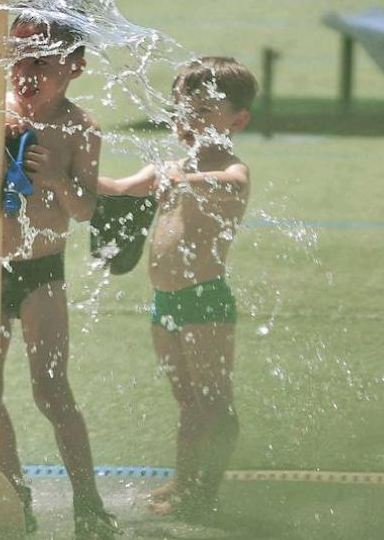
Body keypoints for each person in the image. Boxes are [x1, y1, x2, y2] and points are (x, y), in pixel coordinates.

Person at [98, 56, 255, 520]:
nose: (189, 121)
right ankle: (185, 480)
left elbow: (230, 185)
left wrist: (184, 179)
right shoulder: (167, 166)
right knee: (187, 401)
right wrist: (61, 174)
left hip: (205, 300)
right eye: (183, 110)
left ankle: (206, 489)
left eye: (204, 112)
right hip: (165, 303)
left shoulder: (230, 167)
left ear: (238, 120)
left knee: (214, 401)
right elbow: (117, 187)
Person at [0, 11, 120, 538]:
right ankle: (15, 493)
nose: (27, 72)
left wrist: (55, 179)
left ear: (74, 69)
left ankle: (88, 502)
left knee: (52, 391)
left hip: (42, 271)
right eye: (19, 58)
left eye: (43, 63)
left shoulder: (79, 126)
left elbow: (87, 209)